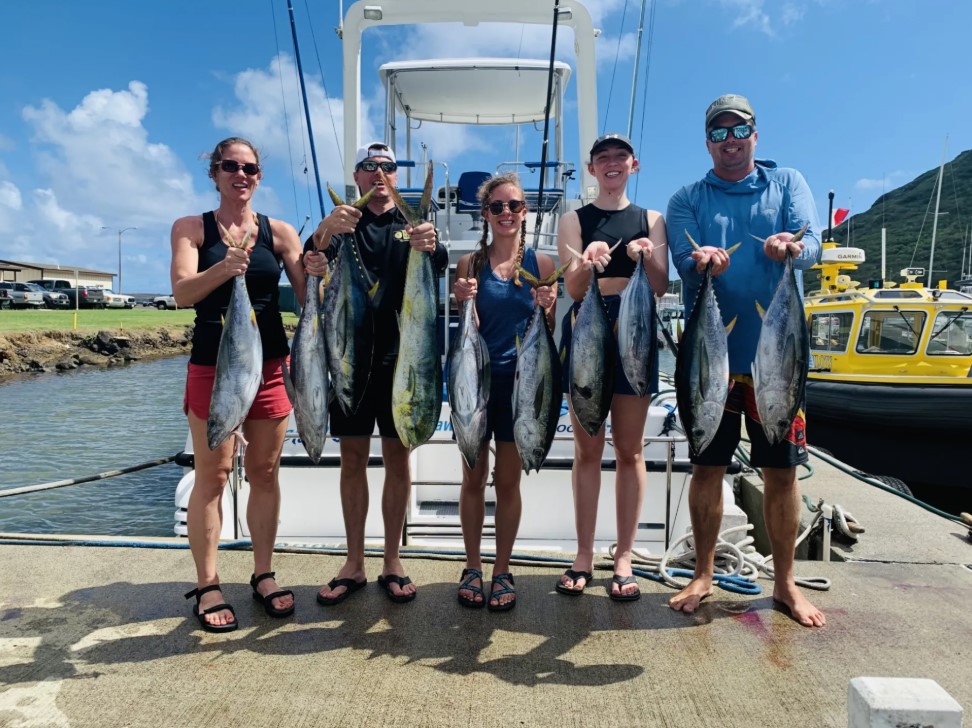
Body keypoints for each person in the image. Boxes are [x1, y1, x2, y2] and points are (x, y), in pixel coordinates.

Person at [666, 94, 826, 627]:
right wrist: (699, 261)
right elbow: (685, 264)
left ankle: (784, 584)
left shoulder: (788, 184)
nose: (730, 140)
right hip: (709, 362)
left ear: (756, 134)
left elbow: (815, 243)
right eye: (719, 133)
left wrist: (794, 247)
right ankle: (705, 573)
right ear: (707, 140)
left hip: (776, 362)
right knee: (706, 468)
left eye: (740, 130)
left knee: (781, 472)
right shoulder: (688, 198)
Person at [170, 137, 305, 632]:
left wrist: (316, 265)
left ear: (259, 176)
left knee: (266, 472)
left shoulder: (280, 232)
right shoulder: (191, 228)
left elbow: (310, 300)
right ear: (215, 172)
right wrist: (224, 269)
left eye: (249, 168)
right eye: (231, 166)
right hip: (214, 365)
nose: (240, 175)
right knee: (214, 475)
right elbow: (183, 292)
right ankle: (208, 584)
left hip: (270, 365)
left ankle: (263, 574)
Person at [303, 142, 447, 604]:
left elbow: (437, 261)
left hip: (404, 360)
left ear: (395, 178)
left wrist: (431, 241)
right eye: (370, 167)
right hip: (350, 355)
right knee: (351, 460)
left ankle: (392, 561)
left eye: (388, 168)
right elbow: (311, 259)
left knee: (399, 461)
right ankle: (354, 563)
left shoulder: (412, 224)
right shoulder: (344, 224)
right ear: (358, 176)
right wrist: (326, 229)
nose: (379, 174)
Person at [556, 133, 669, 601]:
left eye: (619, 157)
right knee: (587, 450)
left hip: (636, 322)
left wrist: (648, 255)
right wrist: (587, 261)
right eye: (602, 158)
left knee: (629, 450)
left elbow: (660, 285)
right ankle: (584, 553)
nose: (611, 164)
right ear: (592, 169)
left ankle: (624, 556)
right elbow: (574, 288)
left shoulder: (653, 219)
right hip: (588, 326)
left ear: (633, 164)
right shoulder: (572, 220)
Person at [452, 173, 558, 611]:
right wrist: (460, 298)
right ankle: (472, 565)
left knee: (509, 482)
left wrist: (548, 309)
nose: (506, 214)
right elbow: (464, 326)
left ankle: (502, 568)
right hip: (475, 383)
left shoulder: (543, 265)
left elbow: (547, 333)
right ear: (486, 214)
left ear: (524, 212)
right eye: (497, 207)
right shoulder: (469, 266)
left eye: (514, 206)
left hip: (523, 387)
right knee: (473, 477)